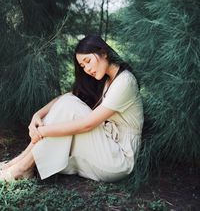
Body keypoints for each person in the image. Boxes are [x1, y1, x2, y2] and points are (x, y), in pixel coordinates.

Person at [0, 35, 143, 182]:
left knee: (70, 105)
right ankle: (19, 163)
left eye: (88, 61)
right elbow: (65, 97)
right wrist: (37, 115)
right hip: (107, 147)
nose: (87, 69)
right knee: (68, 101)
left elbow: (87, 124)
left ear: (104, 53)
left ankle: (22, 167)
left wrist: (42, 131)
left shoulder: (125, 81)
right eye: (83, 66)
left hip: (119, 159)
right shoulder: (106, 79)